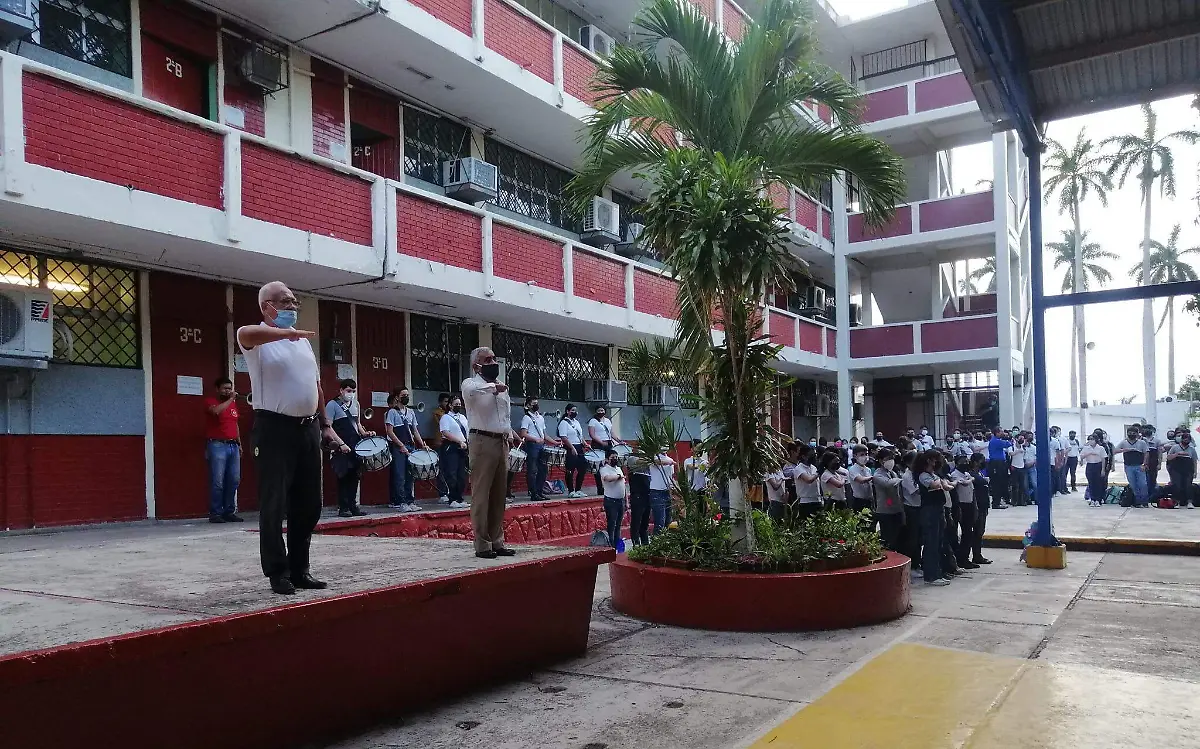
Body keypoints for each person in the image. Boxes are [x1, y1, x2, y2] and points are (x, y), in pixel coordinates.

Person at [238, 281, 337, 595]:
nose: (292, 307)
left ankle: (300, 569)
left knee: (309, 504)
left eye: (295, 301)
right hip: (274, 429)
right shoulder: (253, 337)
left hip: (307, 429)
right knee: (274, 502)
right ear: (267, 306)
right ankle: (277, 572)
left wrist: (325, 424)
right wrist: (287, 333)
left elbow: (316, 386)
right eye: (284, 301)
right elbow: (247, 333)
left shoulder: (302, 343)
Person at [461, 347, 518, 559]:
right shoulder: (470, 384)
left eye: (494, 358)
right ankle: (482, 544)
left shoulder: (503, 388)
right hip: (481, 440)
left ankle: (497, 541)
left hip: (501, 441)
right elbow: (473, 392)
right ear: (476, 365)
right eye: (488, 359)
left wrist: (509, 434)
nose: (493, 362)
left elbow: (505, 415)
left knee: (498, 494)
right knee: (481, 494)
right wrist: (493, 387)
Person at [326, 378, 375, 518]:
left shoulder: (356, 404)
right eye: (348, 391)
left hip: (355, 445)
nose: (351, 394)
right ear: (341, 390)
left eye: (353, 391)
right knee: (343, 476)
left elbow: (357, 424)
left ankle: (353, 506)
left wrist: (365, 433)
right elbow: (328, 427)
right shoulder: (332, 405)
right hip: (341, 446)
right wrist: (341, 444)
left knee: (355, 476)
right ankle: (343, 507)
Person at [203, 377, 243, 523]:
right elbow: (216, 412)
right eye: (225, 388)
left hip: (233, 445)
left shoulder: (232, 406)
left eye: (229, 388)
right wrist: (230, 400)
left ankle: (229, 511)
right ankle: (215, 513)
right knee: (218, 481)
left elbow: (235, 424)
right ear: (217, 389)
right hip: (217, 445)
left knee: (234, 480)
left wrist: (240, 444)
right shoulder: (211, 401)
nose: (228, 391)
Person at [384, 387, 425, 513]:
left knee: (410, 475)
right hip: (398, 447)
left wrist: (422, 444)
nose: (406, 397)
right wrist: (400, 445)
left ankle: (410, 500)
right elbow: (389, 431)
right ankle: (401, 501)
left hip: (410, 445)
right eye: (403, 395)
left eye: (407, 395)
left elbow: (415, 430)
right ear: (397, 397)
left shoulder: (411, 412)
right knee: (399, 475)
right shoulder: (392, 412)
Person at [914, 451, 951, 586]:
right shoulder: (924, 475)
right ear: (929, 461)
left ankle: (937, 572)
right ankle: (931, 575)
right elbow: (936, 485)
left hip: (938, 509)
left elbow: (947, 486)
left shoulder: (933, 475)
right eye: (935, 460)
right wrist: (941, 481)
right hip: (930, 510)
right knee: (931, 543)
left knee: (938, 542)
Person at [519, 395, 555, 502]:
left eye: (536, 403)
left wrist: (554, 442)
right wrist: (535, 439)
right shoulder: (526, 418)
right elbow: (523, 434)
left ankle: (540, 491)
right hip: (531, 446)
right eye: (533, 403)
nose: (536, 405)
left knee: (543, 470)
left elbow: (544, 435)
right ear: (528, 406)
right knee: (532, 470)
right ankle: (533, 493)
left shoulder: (540, 417)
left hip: (541, 445)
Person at [439, 395, 470, 509]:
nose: (458, 406)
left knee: (461, 474)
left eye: (459, 404)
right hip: (451, 447)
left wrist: (467, 443)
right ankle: (452, 499)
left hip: (463, 447)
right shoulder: (446, 418)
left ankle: (459, 497)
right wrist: (458, 441)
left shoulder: (463, 417)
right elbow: (445, 432)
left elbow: (467, 431)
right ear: (450, 405)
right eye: (456, 404)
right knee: (452, 474)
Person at [949, 457, 980, 569]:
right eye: (963, 462)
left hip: (970, 504)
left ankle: (965, 558)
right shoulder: (955, 475)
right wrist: (971, 479)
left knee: (968, 533)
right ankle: (960, 558)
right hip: (960, 505)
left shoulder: (966, 473)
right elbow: (965, 483)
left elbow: (971, 490)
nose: (966, 464)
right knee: (962, 532)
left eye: (967, 462)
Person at [872, 448, 904, 551]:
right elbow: (888, 484)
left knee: (898, 538)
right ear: (881, 461)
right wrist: (901, 480)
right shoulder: (877, 474)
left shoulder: (892, 473)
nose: (891, 461)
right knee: (888, 538)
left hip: (896, 508)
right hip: (885, 510)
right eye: (888, 458)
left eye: (892, 458)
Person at [1114, 427, 1150, 508]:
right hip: (1128, 466)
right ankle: (1136, 501)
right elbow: (1115, 451)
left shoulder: (1142, 443)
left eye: (1134, 433)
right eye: (1130, 432)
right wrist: (1125, 450)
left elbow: (1146, 453)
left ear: (1137, 434)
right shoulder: (1124, 442)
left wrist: (1144, 464)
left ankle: (1144, 501)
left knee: (1143, 484)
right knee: (1133, 484)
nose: (1132, 434)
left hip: (1139, 465)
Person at [558, 403, 588, 498]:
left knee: (582, 468)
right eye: (572, 410)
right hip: (570, 447)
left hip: (579, 446)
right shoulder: (563, 423)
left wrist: (584, 443)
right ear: (567, 411)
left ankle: (578, 489)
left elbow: (580, 435)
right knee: (570, 470)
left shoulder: (577, 422)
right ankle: (571, 491)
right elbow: (564, 437)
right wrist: (572, 448)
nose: (575, 412)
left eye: (576, 410)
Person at [598, 452, 627, 548]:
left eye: (616, 457)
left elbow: (624, 485)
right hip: (611, 501)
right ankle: (611, 546)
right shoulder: (604, 469)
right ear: (607, 459)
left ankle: (617, 545)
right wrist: (619, 476)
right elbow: (607, 478)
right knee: (612, 524)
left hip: (621, 500)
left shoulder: (618, 469)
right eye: (613, 457)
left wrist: (626, 500)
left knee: (618, 525)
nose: (615, 459)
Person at [900, 451, 922, 572]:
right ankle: (911, 565)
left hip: (919, 507)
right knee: (912, 539)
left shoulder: (916, 474)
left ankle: (917, 563)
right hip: (911, 508)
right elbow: (915, 491)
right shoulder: (907, 476)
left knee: (919, 538)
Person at [968, 454, 992, 564]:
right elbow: (983, 482)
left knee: (980, 531)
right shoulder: (971, 474)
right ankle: (976, 555)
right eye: (981, 461)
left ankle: (978, 555)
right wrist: (985, 480)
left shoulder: (979, 473)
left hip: (983, 505)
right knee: (977, 531)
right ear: (975, 462)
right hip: (977, 506)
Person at [428, 393, 452, 504]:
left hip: (450, 444)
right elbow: (444, 422)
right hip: (440, 443)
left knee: (450, 469)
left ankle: (451, 492)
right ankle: (442, 493)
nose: (447, 404)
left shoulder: (451, 414)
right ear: (440, 402)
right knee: (441, 469)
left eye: (449, 402)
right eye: (446, 402)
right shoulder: (437, 413)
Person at [588, 406, 616, 496]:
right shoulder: (593, 421)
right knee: (599, 467)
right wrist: (601, 442)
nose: (601, 412)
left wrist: (619, 440)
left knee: (609, 464)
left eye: (602, 410)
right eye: (599, 410)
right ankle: (600, 488)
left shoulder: (607, 421)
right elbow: (592, 434)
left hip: (608, 444)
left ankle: (610, 487)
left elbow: (612, 433)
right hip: (598, 444)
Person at [1165, 431, 1197, 509]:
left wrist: (1195, 471)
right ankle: (1176, 502)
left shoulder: (1191, 449)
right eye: (1185, 439)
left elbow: (1194, 461)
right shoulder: (1175, 447)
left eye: (1188, 440)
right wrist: (1177, 454)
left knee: (1188, 485)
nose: (1186, 441)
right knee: (1177, 485)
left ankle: (1189, 502)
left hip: (1188, 469)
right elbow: (1168, 457)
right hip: (1176, 469)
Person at [792, 443, 822, 522]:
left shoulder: (813, 467)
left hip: (816, 500)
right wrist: (819, 472)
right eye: (810, 455)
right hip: (805, 502)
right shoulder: (799, 468)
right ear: (803, 456)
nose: (813, 457)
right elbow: (808, 480)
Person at [647, 451, 676, 535]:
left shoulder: (670, 459)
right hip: (656, 492)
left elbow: (671, 476)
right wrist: (669, 462)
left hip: (667, 491)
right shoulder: (654, 457)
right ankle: (657, 543)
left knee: (668, 521)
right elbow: (656, 461)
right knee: (660, 522)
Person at [986, 427, 1012, 509]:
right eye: (1001, 432)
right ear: (997, 433)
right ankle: (996, 503)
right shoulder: (995, 441)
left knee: (1000, 483)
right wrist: (1007, 438)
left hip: (1000, 463)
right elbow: (1008, 444)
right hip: (996, 464)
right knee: (996, 483)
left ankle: (998, 501)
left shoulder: (996, 441)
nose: (1002, 433)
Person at [1081, 434, 1109, 506]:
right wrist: (1089, 453)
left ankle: (1098, 500)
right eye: (1089, 439)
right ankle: (1092, 499)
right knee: (1091, 483)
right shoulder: (1086, 448)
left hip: (1098, 465)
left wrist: (1103, 469)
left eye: (1092, 439)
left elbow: (1103, 459)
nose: (1091, 441)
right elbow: (1081, 457)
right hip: (1090, 465)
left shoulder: (1101, 448)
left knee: (1098, 483)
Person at [847, 444, 875, 514]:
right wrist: (873, 477)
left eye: (866, 454)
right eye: (862, 455)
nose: (865, 457)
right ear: (855, 456)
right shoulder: (853, 469)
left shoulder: (868, 469)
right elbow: (861, 480)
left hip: (869, 500)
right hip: (859, 501)